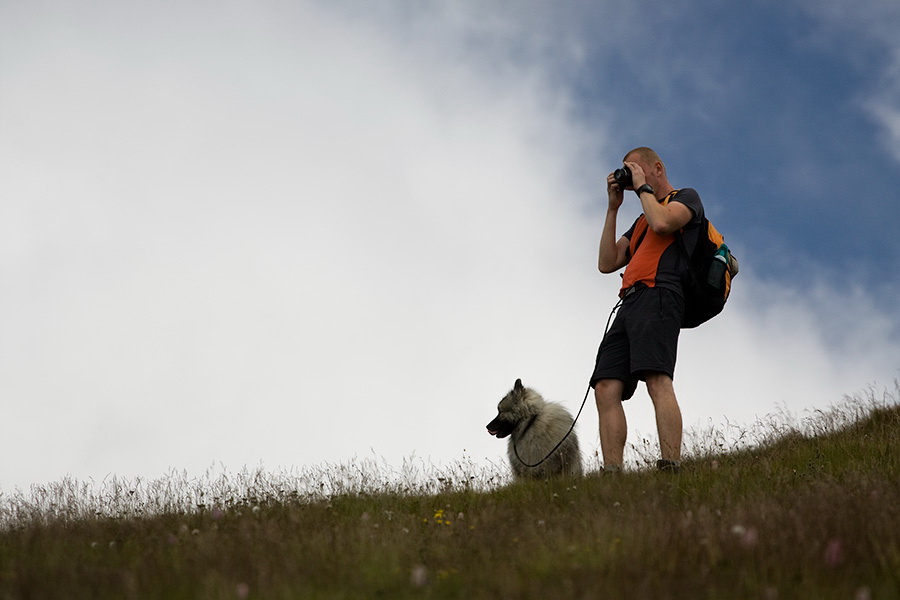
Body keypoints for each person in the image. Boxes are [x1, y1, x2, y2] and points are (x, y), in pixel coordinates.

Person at [592, 147, 705, 473]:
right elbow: (607, 262)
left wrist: (642, 188)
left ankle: (671, 464)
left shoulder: (685, 198)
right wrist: (613, 208)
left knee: (656, 378)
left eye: (637, 169)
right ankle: (612, 472)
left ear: (657, 168)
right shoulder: (640, 219)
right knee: (605, 387)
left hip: (661, 294)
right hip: (630, 302)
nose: (633, 177)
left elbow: (664, 224)